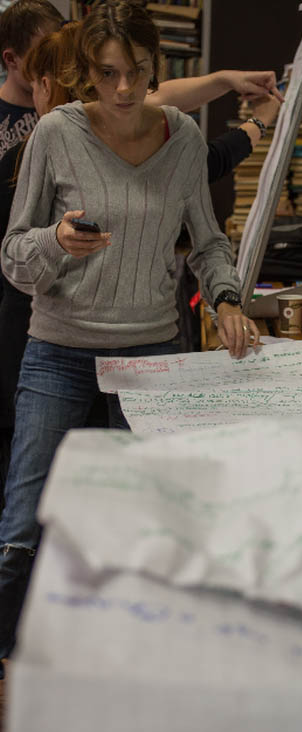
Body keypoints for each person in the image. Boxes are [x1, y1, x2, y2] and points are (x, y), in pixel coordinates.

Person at [0, 0, 262, 672]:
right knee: (25, 524)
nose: (124, 88)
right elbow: (13, 253)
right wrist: (57, 241)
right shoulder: (55, 134)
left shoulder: (183, 139)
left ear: (157, 67)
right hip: (58, 349)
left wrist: (227, 299)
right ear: (87, 72)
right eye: (109, 73)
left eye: (138, 72)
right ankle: (16, 667)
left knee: (147, 522)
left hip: (150, 354)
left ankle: (132, 667)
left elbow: (208, 243)